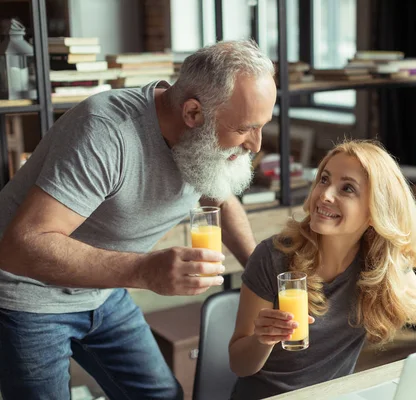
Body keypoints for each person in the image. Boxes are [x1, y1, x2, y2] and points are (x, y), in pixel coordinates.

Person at [0, 39, 276, 400]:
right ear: (193, 114)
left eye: (261, 126)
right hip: (27, 294)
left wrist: (261, 276)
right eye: (244, 129)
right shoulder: (107, 132)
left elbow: (218, 198)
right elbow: (20, 247)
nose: (255, 145)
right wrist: (145, 271)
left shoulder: (201, 137)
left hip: (103, 291)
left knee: (163, 396)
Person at [228, 140, 416, 399]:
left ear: (375, 210)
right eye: (324, 179)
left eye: (347, 189)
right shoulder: (273, 257)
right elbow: (240, 365)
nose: (325, 195)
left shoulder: (380, 262)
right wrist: (261, 340)